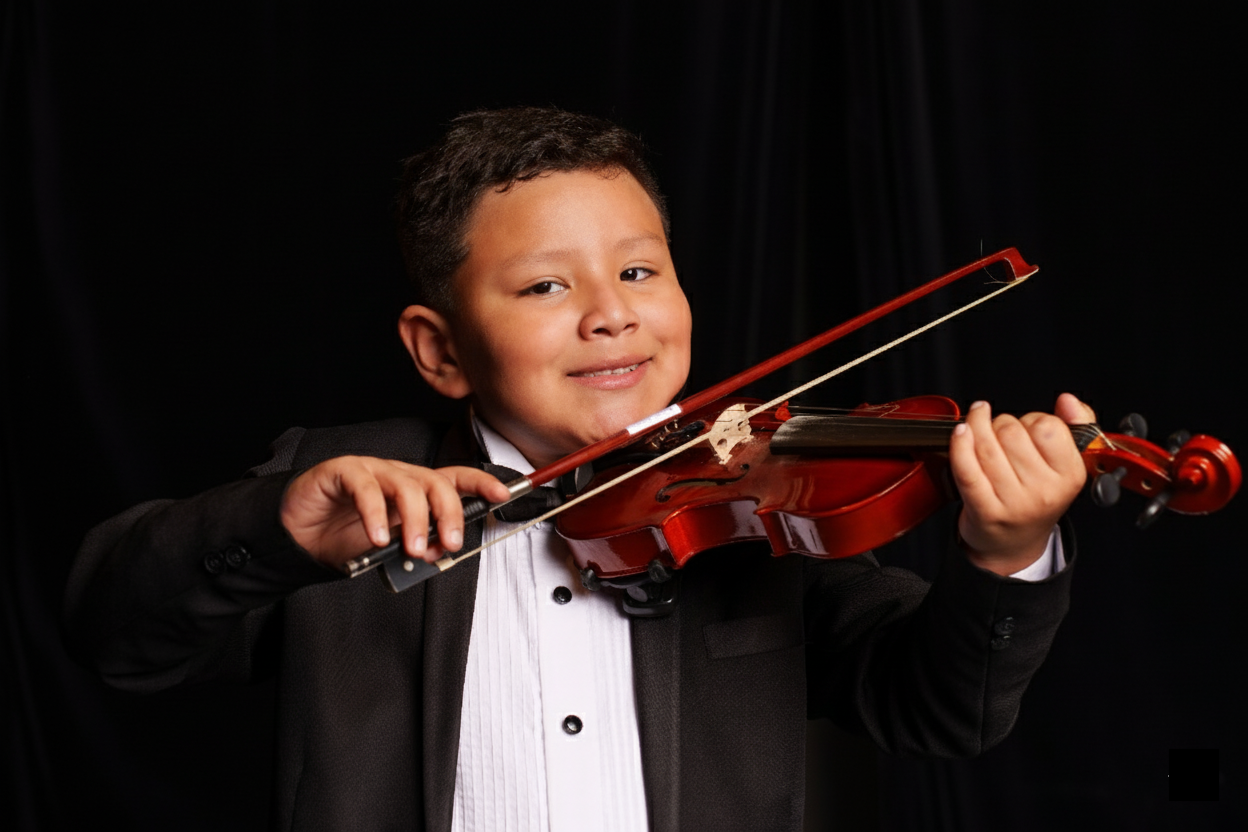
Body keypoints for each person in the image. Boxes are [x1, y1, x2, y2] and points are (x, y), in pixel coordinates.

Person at [65, 107, 1094, 832]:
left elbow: (940, 708)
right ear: (440, 350)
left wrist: (1008, 551)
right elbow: (116, 638)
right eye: (546, 286)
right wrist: (274, 532)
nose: (611, 313)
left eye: (639, 270)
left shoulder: (753, 503)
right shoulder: (345, 490)